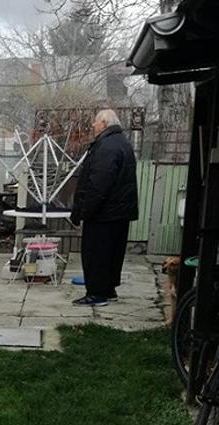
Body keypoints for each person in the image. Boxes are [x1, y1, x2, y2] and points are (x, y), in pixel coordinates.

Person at [71, 109, 138, 306]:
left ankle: (97, 294)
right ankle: (108, 290)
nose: (93, 125)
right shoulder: (122, 142)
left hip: (103, 214)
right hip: (119, 213)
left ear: (104, 123)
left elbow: (98, 183)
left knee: (96, 254)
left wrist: (85, 211)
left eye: (95, 122)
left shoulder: (107, 146)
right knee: (113, 254)